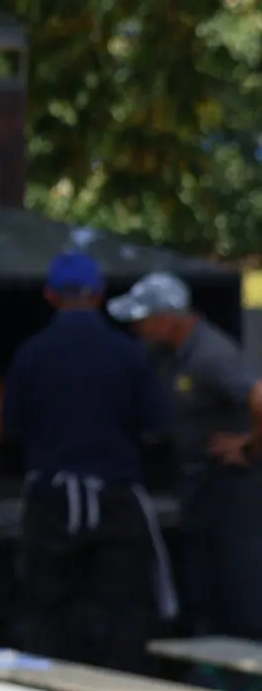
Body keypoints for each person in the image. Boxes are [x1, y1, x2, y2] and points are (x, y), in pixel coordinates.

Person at [0, 252, 176, 673]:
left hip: (50, 502)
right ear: (99, 295)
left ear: (50, 295)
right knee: (124, 610)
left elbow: (11, 426)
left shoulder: (30, 354)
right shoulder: (128, 353)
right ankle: (121, 689)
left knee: (47, 610)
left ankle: (52, 690)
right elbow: (156, 424)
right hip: (115, 499)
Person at [108, 270, 262, 641]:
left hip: (230, 490)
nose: (135, 328)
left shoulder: (212, 355)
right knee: (202, 587)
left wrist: (249, 445)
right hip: (196, 483)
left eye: (142, 319)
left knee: (236, 588)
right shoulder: (164, 353)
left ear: (167, 319)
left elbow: (259, 397)